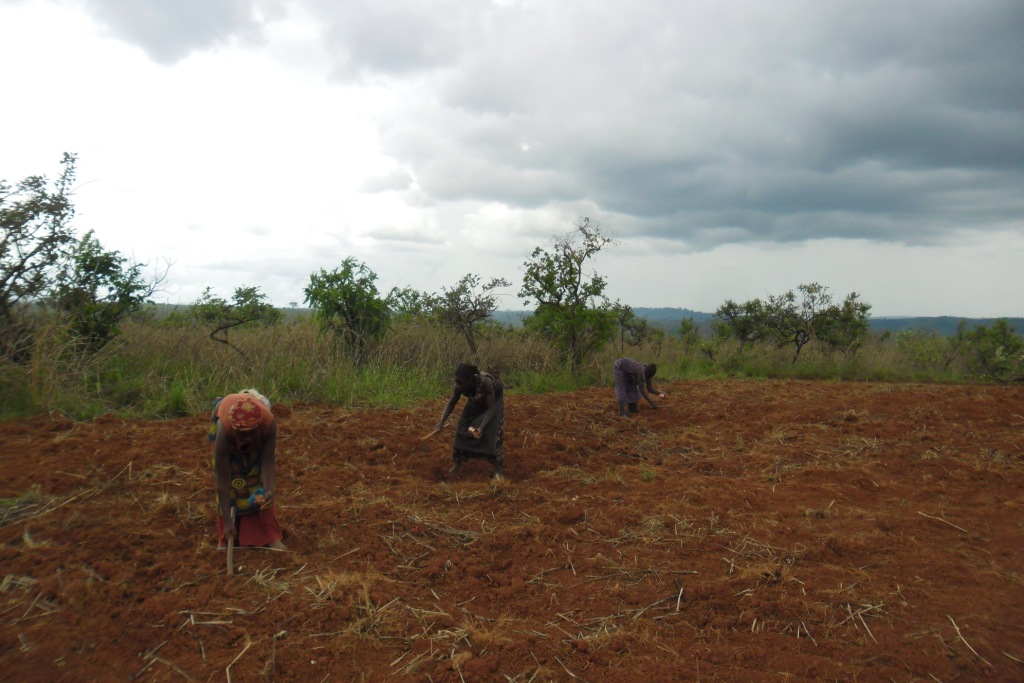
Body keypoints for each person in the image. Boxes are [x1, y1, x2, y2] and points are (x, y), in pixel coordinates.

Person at [209, 389, 286, 550]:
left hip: (256, 428)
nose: (247, 440)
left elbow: (267, 460)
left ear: (259, 428)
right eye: (242, 436)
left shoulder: (268, 424)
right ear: (234, 431)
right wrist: (227, 523)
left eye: (252, 434)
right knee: (234, 480)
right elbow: (222, 480)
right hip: (225, 418)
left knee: (257, 484)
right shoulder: (224, 430)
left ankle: (269, 535)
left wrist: (269, 490)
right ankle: (227, 536)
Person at [435, 363, 505, 478]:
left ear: (472, 380)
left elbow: (491, 409)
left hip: (493, 401)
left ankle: (498, 470)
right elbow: (451, 403)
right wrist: (441, 422)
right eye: (456, 382)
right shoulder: (459, 386)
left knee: (492, 430)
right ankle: (458, 463)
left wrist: (481, 428)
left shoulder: (486, 383)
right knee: (462, 427)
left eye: (461, 383)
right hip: (476, 399)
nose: (458, 385)